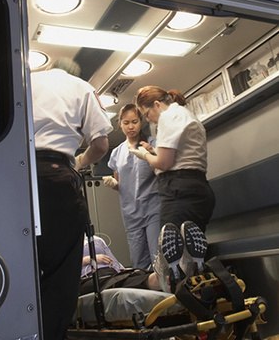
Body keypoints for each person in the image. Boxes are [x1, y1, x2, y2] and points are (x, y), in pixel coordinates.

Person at [31, 57, 113, 340]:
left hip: (17, 178)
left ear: (52, 65)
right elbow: (101, 144)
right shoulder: (82, 87)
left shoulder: (26, 82)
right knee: (61, 270)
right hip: (56, 176)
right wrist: (78, 162)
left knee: (24, 260)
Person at [132, 86, 215, 233]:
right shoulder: (185, 114)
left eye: (147, 113)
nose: (148, 119)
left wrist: (144, 155)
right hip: (196, 189)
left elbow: (164, 164)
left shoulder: (167, 117)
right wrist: (153, 151)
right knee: (190, 249)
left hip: (180, 192)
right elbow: (181, 157)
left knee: (174, 250)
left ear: (157, 104)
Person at [102, 104, 160, 270]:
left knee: (158, 258)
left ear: (140, 121)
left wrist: (152, 154)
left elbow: (162, 174)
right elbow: (121, 185)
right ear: (119, 124)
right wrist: (113, 184)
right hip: (131, 214)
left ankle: (165, 293)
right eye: (126, 122)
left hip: (153, 209)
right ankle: (146, 294)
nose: (131, 126)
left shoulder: (152, 144)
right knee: (139, 263)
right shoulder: (116, 153)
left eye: (134, 121)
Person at [80, 221, 208, 295]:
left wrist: (126, 270)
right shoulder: (66, 246)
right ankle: (167, 274)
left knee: (131, 275)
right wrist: (88, 260)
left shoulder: (96, 240)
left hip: (111, 273)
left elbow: (116, 263)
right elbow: (60, 267)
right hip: (86, 279)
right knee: (111, 283)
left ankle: (182, 269)